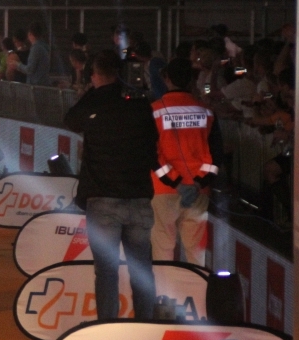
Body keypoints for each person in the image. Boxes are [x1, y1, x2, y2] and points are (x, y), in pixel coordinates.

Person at [63, 50, 159, 321]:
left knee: (106, 271)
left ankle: (107, 327)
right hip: (139, 198)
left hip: (102, 199)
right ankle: (146, 325)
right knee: (142, 269)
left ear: (94, 75)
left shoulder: (94, 102)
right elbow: (153, 139)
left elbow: (70, 121)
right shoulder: (139, 103)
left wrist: (93, 93)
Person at [150, 59, 223, 266]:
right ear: (191, 81)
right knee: (196, 253)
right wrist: (199, 183)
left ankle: (164, 287)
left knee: (163, 250)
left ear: (166, 79)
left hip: (164, 190)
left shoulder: (154, 111)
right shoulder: (207, 112)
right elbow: (216, 156)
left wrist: (175, 182)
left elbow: (152, 154)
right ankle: (196, 287)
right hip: (199, 193)